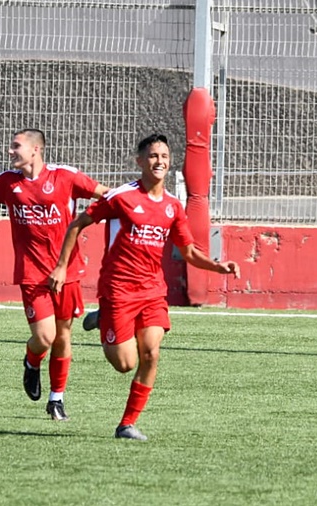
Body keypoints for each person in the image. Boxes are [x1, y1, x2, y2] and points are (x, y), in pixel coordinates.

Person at [48, 133, 240, 440]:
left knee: (151, 353)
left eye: (164, 156)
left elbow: (189, 251)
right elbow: (77, 224)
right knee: (125, 364)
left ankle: (126, 424)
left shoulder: (173, 206)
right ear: (140, 161)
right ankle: (104, 318)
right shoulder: (122, 197)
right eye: (152, 156)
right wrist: (61, 267)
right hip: (118, 290)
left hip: (152, 291)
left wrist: (218, 266)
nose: (159, 161)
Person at [0, 130, 109, 421]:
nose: (10, 151)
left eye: (16, 146)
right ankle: (32, 361)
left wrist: (90, 217)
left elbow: (107, 195)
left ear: (35, 150)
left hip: (66, 271)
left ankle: (56, 399)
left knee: (63, 336)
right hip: (32, 273)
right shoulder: (9, 182)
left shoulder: (65, 177)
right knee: (45, 337)